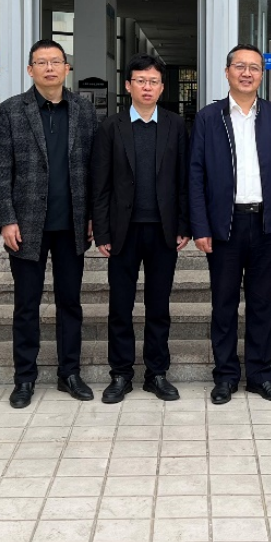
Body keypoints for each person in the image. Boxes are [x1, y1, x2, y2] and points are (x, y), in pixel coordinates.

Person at [0, 40, 99, 409]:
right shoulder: (11, 111)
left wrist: (92, 216)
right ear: (30, 69)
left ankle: (70, 373)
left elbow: (95, 168)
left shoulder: (84, 110)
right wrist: (6, 219)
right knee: (27, 304)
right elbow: (0, 170)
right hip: (26, 225)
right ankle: (25, 378)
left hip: (72, 223)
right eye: (42, 62)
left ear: (67, 68)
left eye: (56, 61)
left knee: (70, 303)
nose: (49, 68)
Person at [188, 44, 271, 405]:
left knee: (264, 304)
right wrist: (201, 226)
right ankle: (225, 376)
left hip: (266, 224)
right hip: (225, 225)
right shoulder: (209, 117)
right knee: (224, 304)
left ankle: (261, 375)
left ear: (262, 74)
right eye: (240, 66)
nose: (247, 73)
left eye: (254, 68)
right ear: (227, 72)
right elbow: (196, 175)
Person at [90, 54, 191, 404]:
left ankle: (156, 373)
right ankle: (120, 374)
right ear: (128, 85)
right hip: (123, 231)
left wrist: (184, 224)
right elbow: (100, 184)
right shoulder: (111, 127)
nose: (147, 87)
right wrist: (102, 232)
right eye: (141, 81)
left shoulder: (176, 125)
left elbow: (183, 180)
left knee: (158, 306)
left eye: (153, 82)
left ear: (162, 88)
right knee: (120, 306)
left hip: (163, 231)